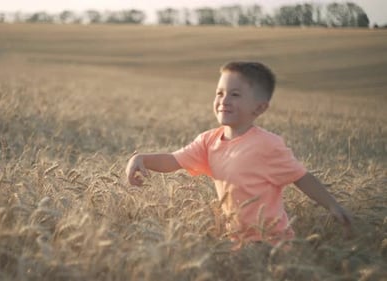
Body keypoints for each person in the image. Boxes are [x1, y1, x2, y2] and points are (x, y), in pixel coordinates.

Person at [126, 61, 352, 248]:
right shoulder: (208, 141)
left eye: (235, 94)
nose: (224, 100)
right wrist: (142, 159)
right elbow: (173, 160)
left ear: (260, 108)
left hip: (271, 243)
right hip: (235, 242)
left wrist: (332, 205)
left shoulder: (268, 145)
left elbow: (301, 177)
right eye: (220, 93)